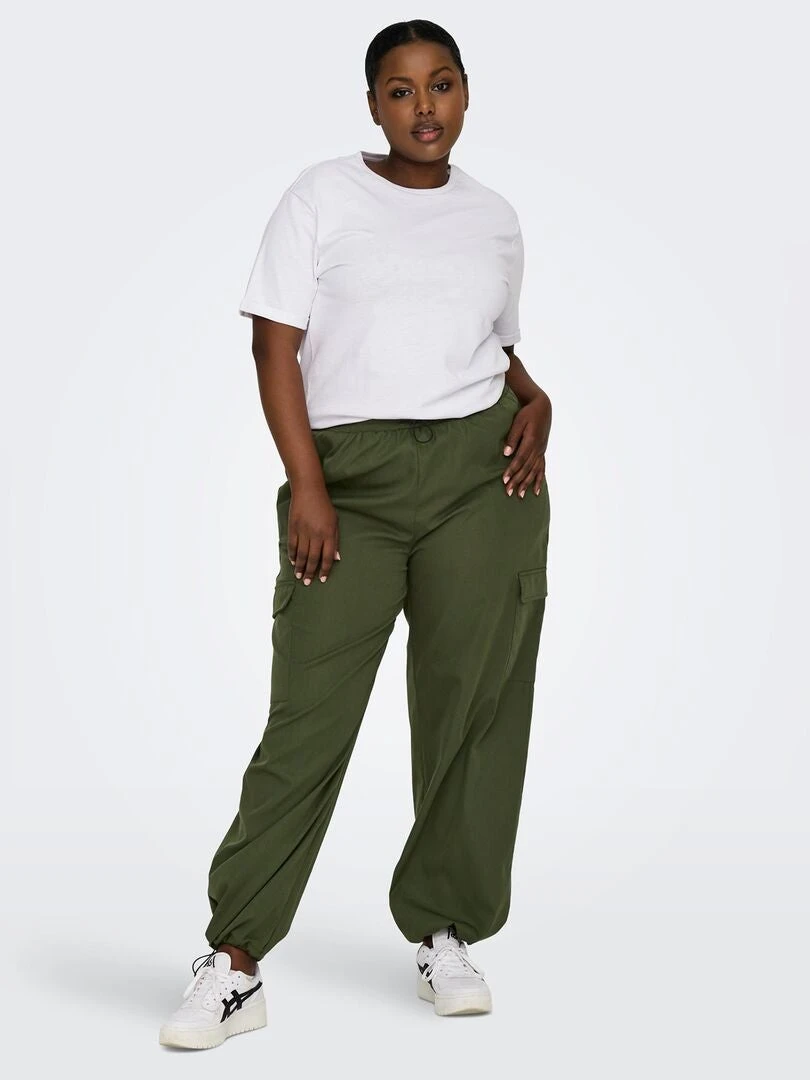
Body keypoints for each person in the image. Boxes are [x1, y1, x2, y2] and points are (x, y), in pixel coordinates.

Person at [159, 19, 552, 1050]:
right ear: (372, 104)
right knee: (309, 719)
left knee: (474, 708)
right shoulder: (322, 197)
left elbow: (489, 344)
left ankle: (445, 929)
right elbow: (274, 346)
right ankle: (236, 961)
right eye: (400, 89)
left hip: (481, 479)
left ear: (466, 93)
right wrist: (310, 486)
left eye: (442, 84)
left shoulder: (495, 218)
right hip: (349, 482)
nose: (424, 107)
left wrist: (537, 397)